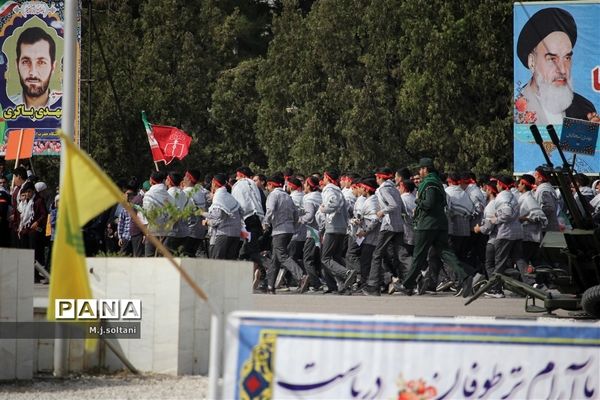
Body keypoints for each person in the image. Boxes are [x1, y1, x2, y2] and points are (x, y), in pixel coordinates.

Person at [398, 158, 474, 297]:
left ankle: (407, 284)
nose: (419, 172)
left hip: (427, 225)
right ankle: (465, 277)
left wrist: (418, 201)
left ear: (425, 169)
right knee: (446, 253)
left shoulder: (429, 182)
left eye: (420, 169)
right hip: (439, 224)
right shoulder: (438, 182)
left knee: (419, 255)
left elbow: (429, 203)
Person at [515, 7, 599, 125]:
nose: (563, 69)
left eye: (567, 58)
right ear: (532, 61)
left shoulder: (584, 109)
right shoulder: (517, 107)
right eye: (552, 59)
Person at [263, 175, 308, 294]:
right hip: (289, 230)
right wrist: (292, 225)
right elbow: (296, 214)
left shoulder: (273, 195)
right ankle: (270, 286)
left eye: (268, 185)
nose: (267, 188)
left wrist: (266, 222)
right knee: (275, 259)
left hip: (279, 230)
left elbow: (270, 210)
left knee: (281, 255)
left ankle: (301, 276)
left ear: (271, 185)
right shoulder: (288, 196)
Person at [10, 27, 61, 110]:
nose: (33, 73)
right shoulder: (5, 105)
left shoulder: (65, 104)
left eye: (41, 62)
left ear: (53, 67)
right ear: (17, 65)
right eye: (26, 62)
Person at [203, 174, 242, 260]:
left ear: (214, 183)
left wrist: (204, 216)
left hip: (224, 233)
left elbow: (217, 217)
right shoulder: (228, 195)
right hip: (235, 234)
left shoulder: (218, 196)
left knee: (218, 263)